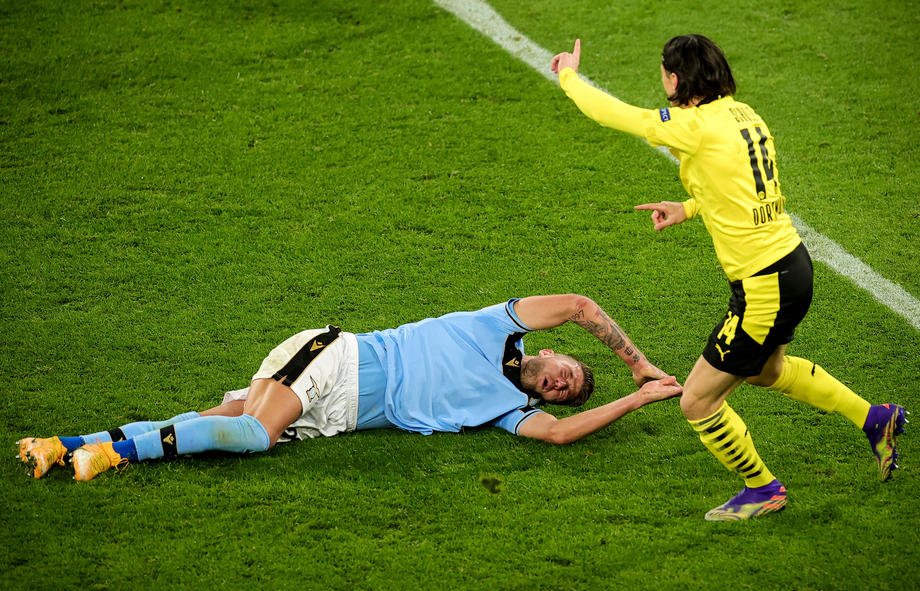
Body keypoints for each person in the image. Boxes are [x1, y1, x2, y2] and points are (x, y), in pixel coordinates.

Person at [551, 36, 906, 520]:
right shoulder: (745, 115)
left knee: (697, 401)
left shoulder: (693, 124)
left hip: (764, 286)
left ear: (675, 79)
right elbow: (738, 186)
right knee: (766, 371)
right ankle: (875, 418)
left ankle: (762, 489)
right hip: (791, 266)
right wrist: (689, 207)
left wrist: (568, 75)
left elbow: (613, 113)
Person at [18, 293, 682, 481]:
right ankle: (113, 456)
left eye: (566, 391)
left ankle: (61, 444)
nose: (563, 384)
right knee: (253, 434)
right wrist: (635, 363)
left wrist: (636, 401)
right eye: (570, 373)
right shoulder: (497, 326)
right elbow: (580, 305)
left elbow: (561, 435)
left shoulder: (507, 410)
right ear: (555, 352)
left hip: (333, 414)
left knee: (209, 419)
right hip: (337, 360)